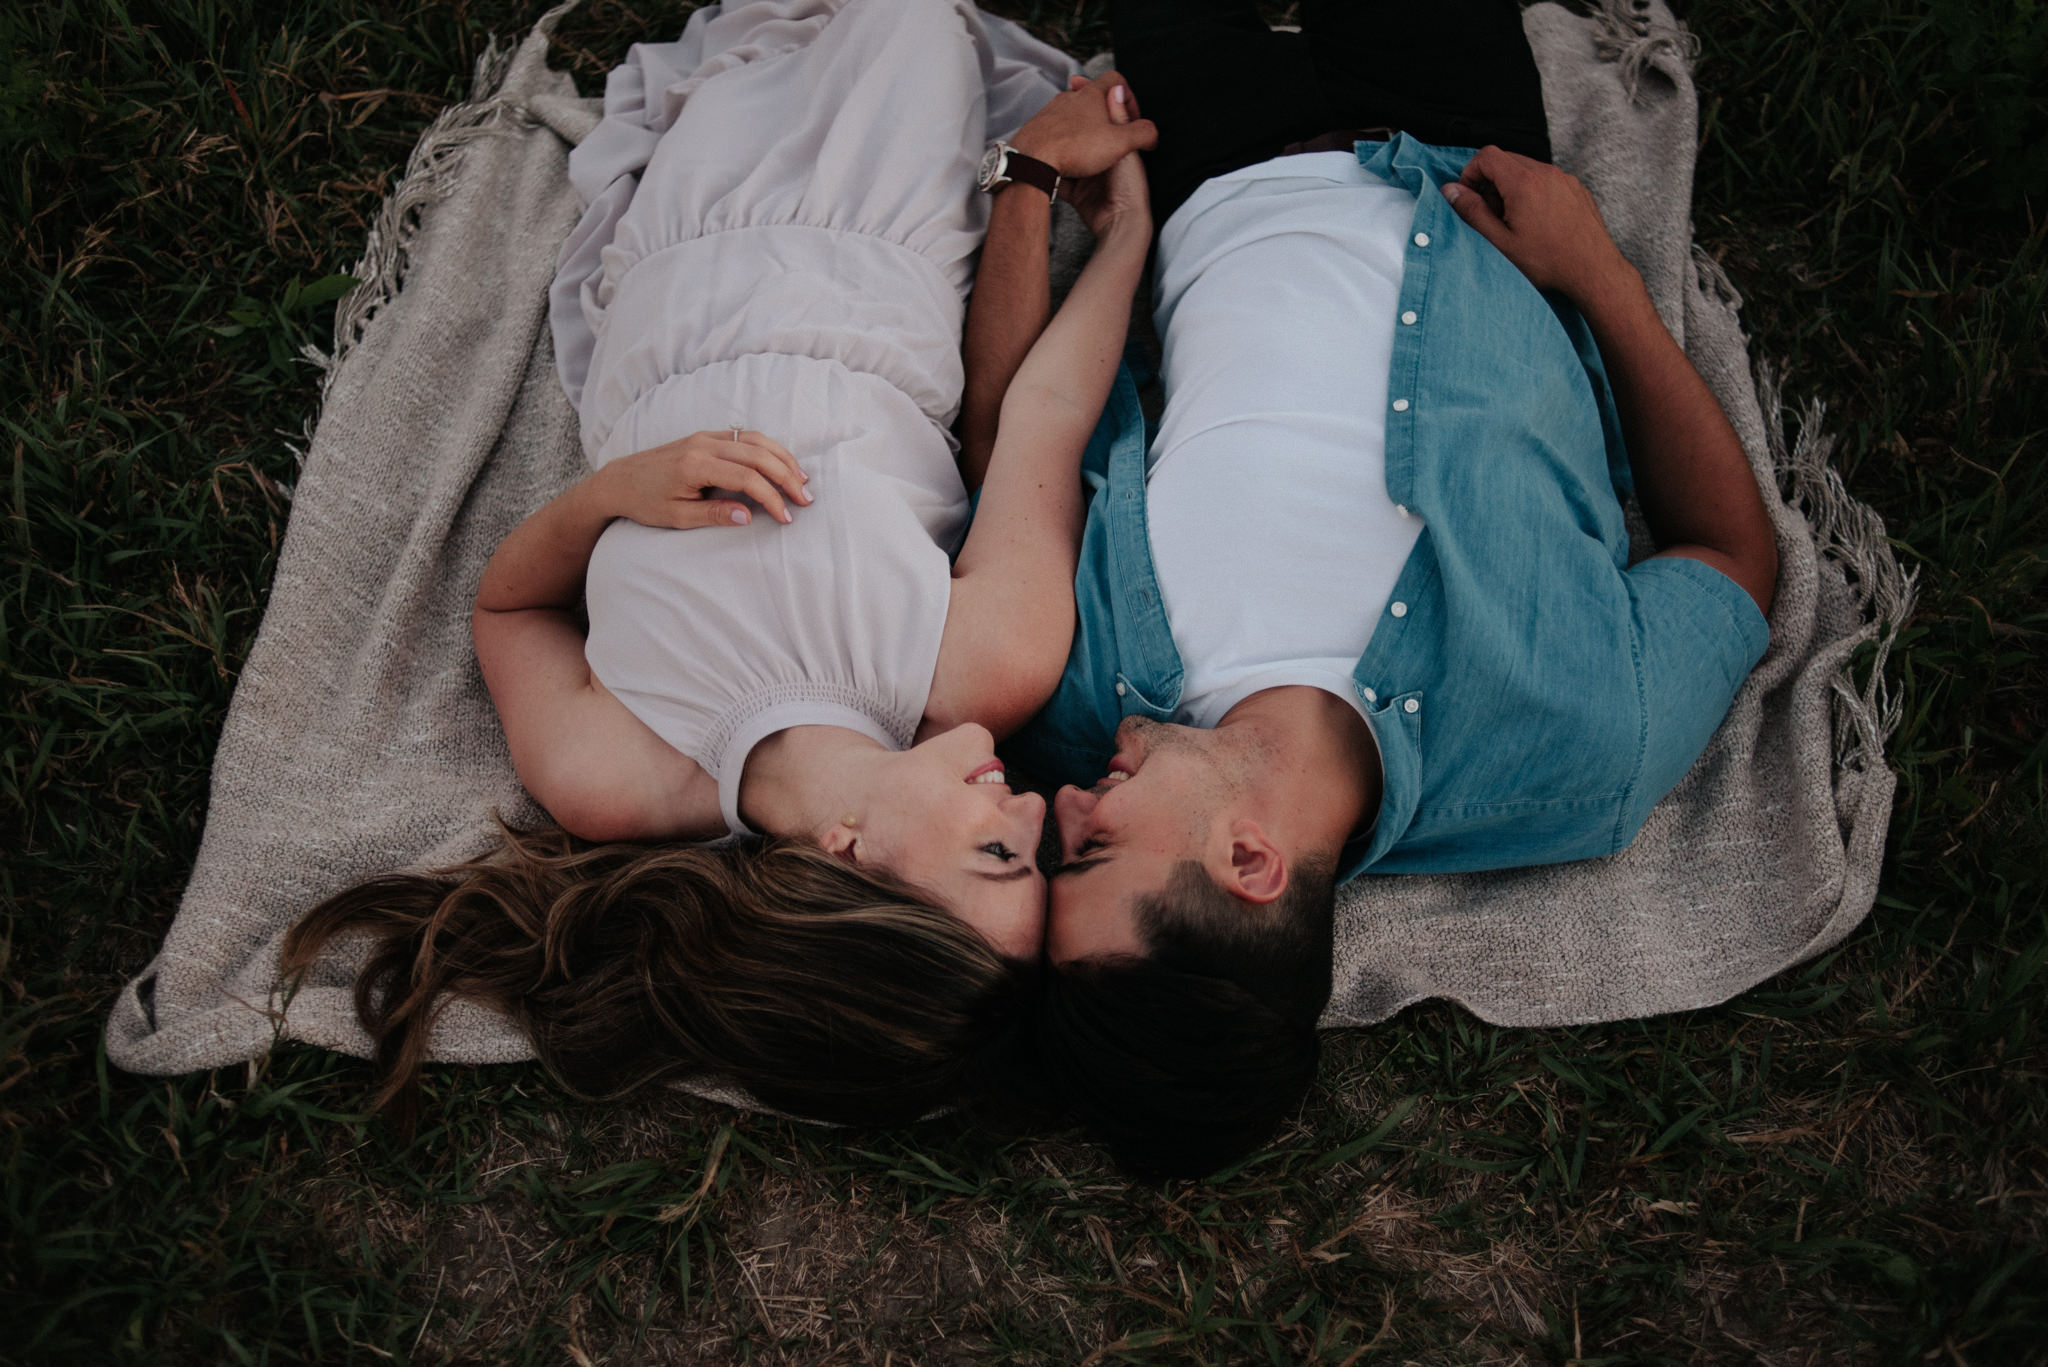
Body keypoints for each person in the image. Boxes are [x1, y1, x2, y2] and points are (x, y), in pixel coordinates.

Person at [282, 0, 1157, 1130]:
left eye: (1000, 854)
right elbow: (1029, 420)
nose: (1039, 814)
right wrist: (1104, 224)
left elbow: (507, 607)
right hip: (876, 257)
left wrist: (611, 495)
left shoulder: (624, 775)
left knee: (764, 56)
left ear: (846, 856)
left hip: (672, 287)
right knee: (906, 23)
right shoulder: (982, 665)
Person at [988, 0, 1780, 1177]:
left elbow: (1006, 446)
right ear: (1250, 862)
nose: (1058, 809)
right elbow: (1731, 555)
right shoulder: (1577, 739)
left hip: (1207, 158)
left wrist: (1026, 178)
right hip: (1472, 160)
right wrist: (1599, 271)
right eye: (1093, 853)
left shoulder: (1074, 700)